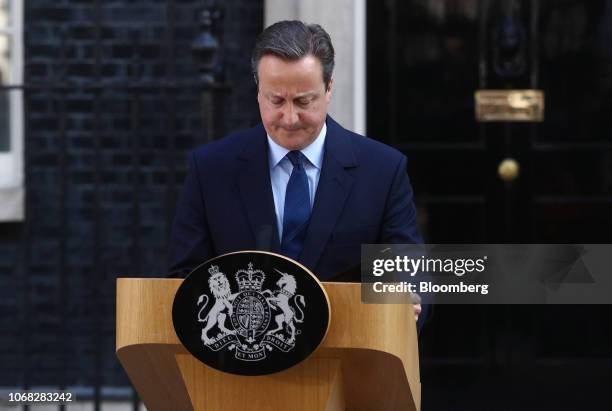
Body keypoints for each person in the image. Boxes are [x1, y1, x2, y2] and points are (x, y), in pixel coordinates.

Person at [168, 20, 425, 325]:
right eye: (276, 100)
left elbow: (410, 277)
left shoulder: (383, 170)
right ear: (257, 90)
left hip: (349, 361)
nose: (289, 118)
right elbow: (184, 278)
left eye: (304, 101)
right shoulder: (210, 169)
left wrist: (406, 305)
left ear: (328, 88)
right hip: (240, 364)